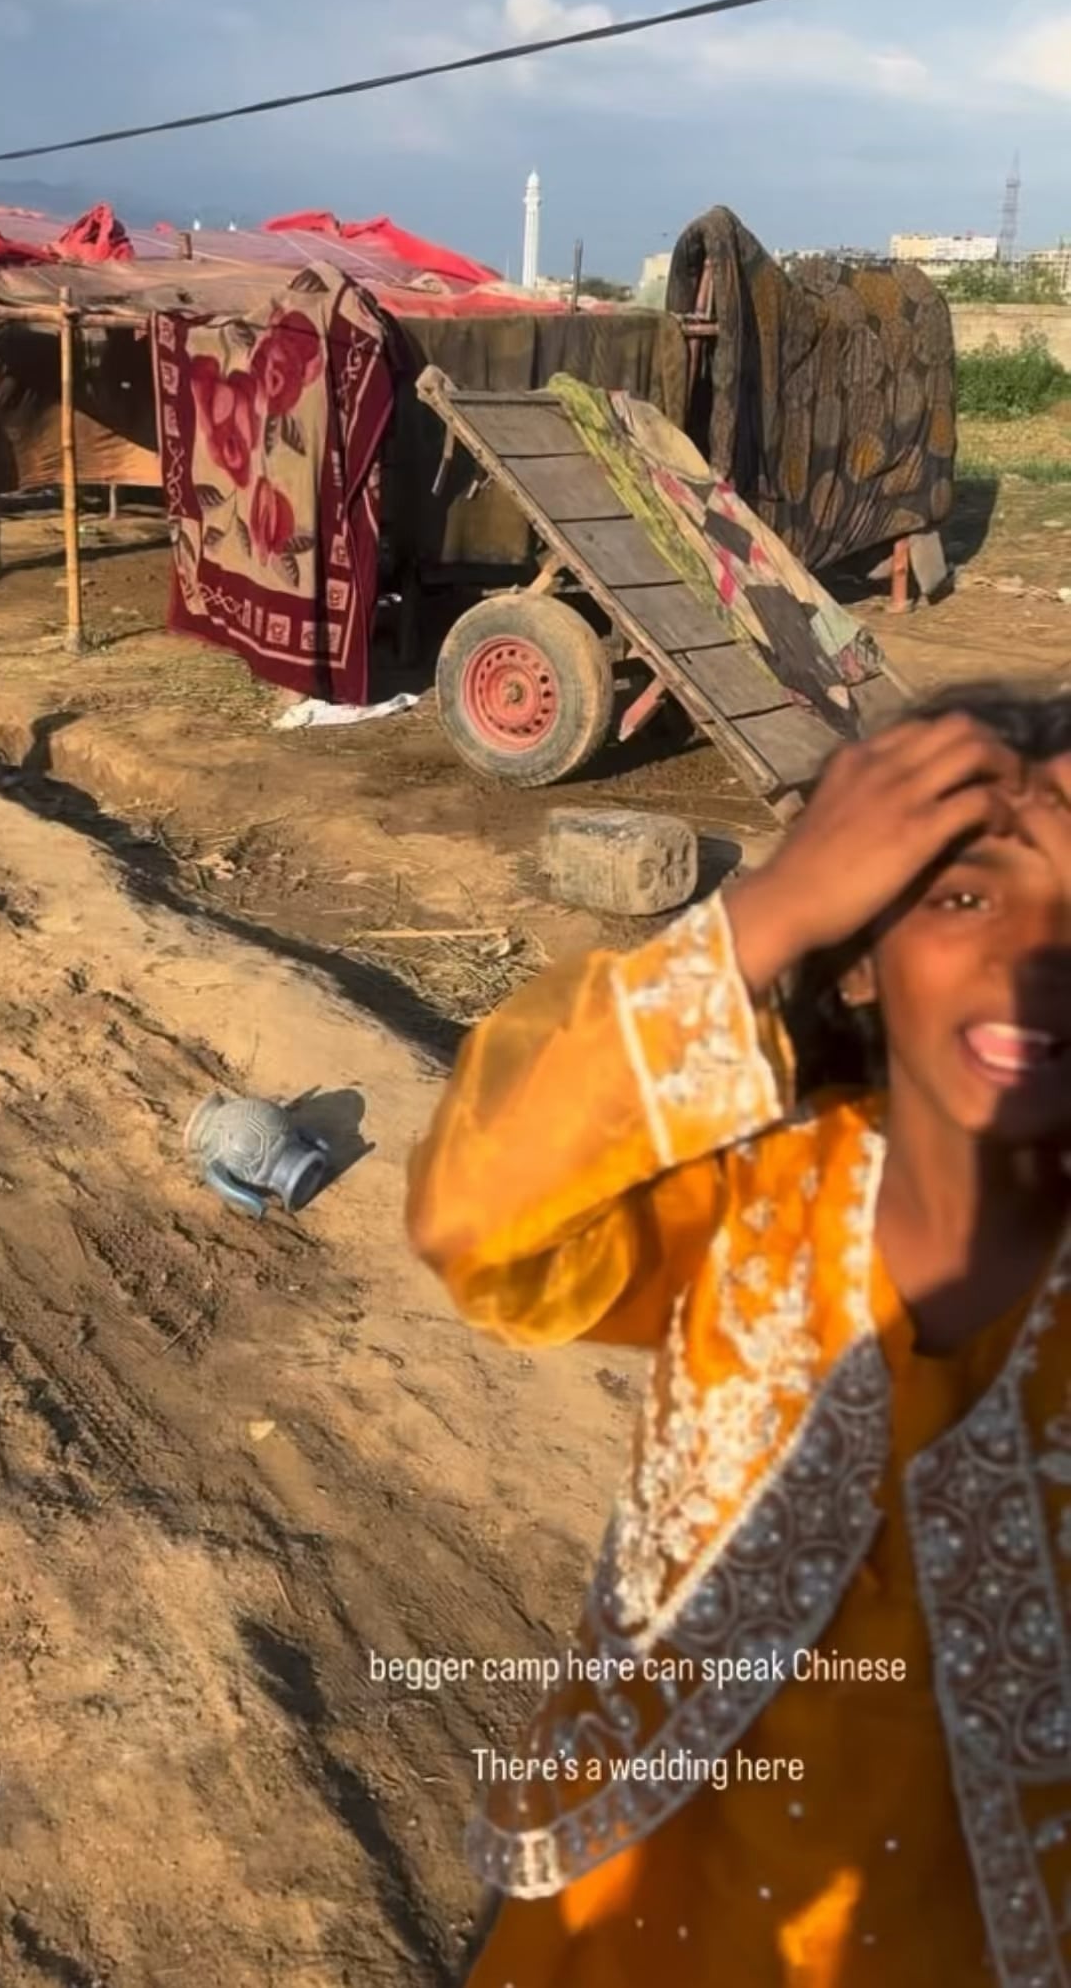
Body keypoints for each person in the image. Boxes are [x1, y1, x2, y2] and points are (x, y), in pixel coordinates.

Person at [406, 688, 1071, 1988]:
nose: (1033, 954)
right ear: (858, 955)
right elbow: (478, 1219)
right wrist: (771, 908)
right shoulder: (758, 1186)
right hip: (634, 1915)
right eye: (961, 896)